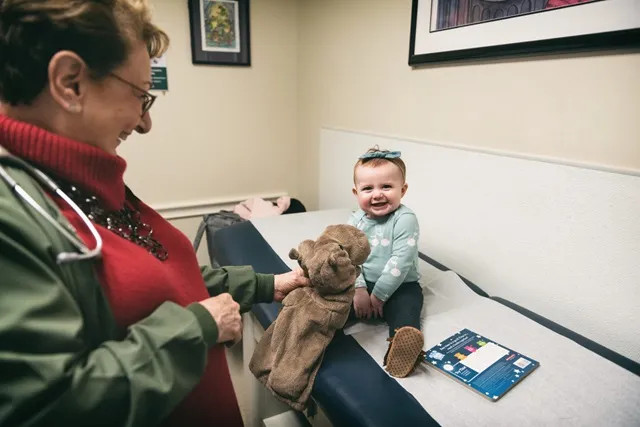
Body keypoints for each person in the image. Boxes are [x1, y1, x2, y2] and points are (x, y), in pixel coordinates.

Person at [0, 1, 308, 426]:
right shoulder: (13, 217)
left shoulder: (91, 181)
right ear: (69, 83)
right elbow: (49, 407)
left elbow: (164, 279)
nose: (145, 124)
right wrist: (197, 327)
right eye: (141, 96)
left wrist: (266, 284)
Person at [348, 147, 424, 378]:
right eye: (368, 188)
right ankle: (321, 330)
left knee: (406, 309)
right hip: (363, 283)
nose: (377, 194)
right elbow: (349, 258)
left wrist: (379, 295)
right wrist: (359, 289)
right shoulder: (355, 220)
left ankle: (402, 346)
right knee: (336, 302)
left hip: (400, 286)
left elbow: (399, 262)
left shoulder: (405, 219)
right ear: (356, 192)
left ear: (403, 189)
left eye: (386, 187)